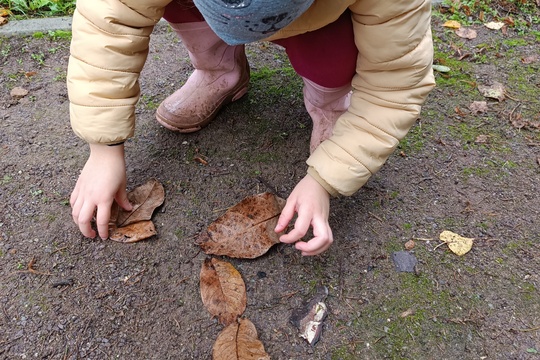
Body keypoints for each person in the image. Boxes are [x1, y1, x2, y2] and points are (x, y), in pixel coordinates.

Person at [68, 0, 435, 256]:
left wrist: (327, 178)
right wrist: (103, 148)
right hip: (202, 5)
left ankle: (331, 101)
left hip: (325, 15)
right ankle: (220, 71)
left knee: (340, 44)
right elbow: (107, 26)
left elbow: (395, 83)